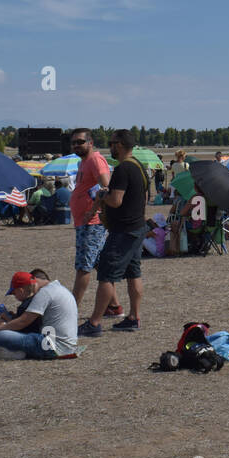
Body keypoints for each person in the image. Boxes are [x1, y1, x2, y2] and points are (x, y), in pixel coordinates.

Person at [79, 129, 149, 336]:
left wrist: (101, 196)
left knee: (107, 276)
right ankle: (133, 317)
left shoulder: (122, 169)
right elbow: (143, 198)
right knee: (133, 273)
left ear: (119, 145)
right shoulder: (139, 166)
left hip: (123, 231)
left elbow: (116, 201)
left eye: (111, 143)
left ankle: (94, 323)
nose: (109, 147)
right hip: (137, 228)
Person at [0, 270, 79, 360]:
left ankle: (16, 354)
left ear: (34, 280)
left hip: (52, 346)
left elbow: (23, 321)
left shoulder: (45, 293)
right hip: (68, 345)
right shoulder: (59, 288)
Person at [69, 128, 114, 315]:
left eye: (80, 142)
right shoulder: (83, 162)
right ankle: (113, 306)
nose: (76, 146)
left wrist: (92, 211)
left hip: (92, 223)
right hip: (85, 222)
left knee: (83, 267)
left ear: (90, 142)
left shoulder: (95, 160)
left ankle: (69, 311)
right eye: (74, 143)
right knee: (99, 265)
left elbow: (106, 187)